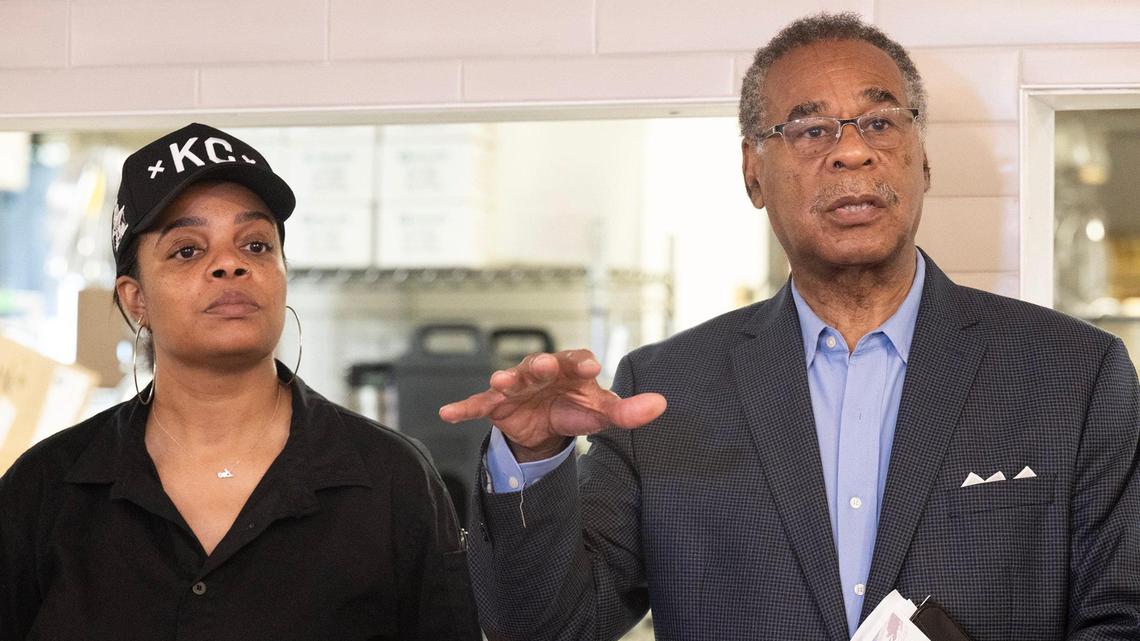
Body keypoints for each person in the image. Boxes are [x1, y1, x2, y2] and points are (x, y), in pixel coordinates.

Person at [440, 12, 1140, 641]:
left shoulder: (1074, 374)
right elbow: (550, 627)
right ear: (753, 172)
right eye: (810, 130)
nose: (852, 152)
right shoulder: (662, 391)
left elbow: (1123, 615)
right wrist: (533, 458)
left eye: (880, 122)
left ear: (923, 157)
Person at [0, 123, 481, 640]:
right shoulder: (45, 490)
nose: (229, 264)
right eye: (187, 250)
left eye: (255, 245)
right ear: (136, 299)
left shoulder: (391, 479)